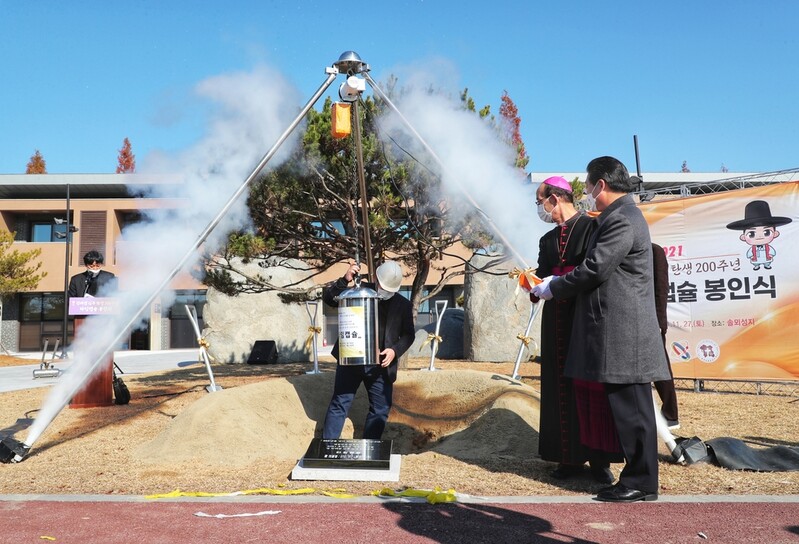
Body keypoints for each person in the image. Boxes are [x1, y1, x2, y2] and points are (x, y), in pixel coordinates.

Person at [533, 156, 671, 503]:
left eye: (590, 186)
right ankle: (638, 479)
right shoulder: (618, 216)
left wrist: (554, 287)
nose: (589, 194)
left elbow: (595, 268)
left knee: (633, 411)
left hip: (623, 332)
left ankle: (640, 480)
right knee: (629, 410)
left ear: (601, 185)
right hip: (613, 331)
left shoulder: (621, 219)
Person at [530, 176, 618, 484]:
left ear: (554, 199)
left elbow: (595, 270)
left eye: (540, 202)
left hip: (585, 317)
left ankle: (599, 461)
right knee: (558, 387)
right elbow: (540, 276)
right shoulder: (546, 240)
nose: (540, 209)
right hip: (555, 321)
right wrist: (530, 282)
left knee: (590, 386)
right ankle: (566, 458)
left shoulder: (593, 228)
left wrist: (557, 283)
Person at [322, 260, 415, 440]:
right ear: (375, 278)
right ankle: (328, 446)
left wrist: (394, 351)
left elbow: (408, 335)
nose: (385, 291)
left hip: (380, 364)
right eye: (382, 286)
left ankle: (370, 448)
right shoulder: (358, 290)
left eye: (390, 289)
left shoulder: (403, 305)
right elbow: (329, 299)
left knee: (380, 409)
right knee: (340, 403)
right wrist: (345, 279)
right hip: (351, 360)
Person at [652, 242, 680, 429]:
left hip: (652, 320)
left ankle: (671, 414)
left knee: (660, 366)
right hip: (631, 320)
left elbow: (661, 288)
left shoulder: (654, 251)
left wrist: (660, 322)